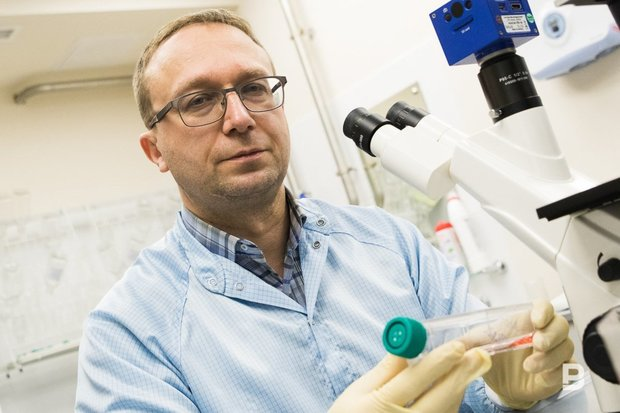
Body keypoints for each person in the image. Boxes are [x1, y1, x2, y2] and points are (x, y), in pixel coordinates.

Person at [75, 8, 574, 412]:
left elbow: (487, 370)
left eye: (254, 88)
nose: (240, 118)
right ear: (155, 151)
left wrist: (511, 393)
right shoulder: (127, 334)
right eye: (200, 101)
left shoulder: (390, 243)